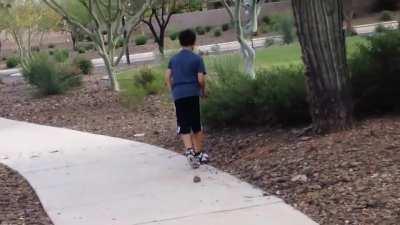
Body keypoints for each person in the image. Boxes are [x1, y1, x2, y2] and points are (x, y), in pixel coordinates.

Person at [165, 29, 209, 169]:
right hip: (192, 93)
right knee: (196, 124)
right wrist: (202, 90)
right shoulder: (197, 59)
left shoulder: (173, 59)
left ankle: (189, 150)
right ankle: (199, 153)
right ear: (194, 42)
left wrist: (173, 91)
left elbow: (167, 77)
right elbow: (200, 79)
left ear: (180, 42)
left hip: (179, 95)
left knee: (183, 123)